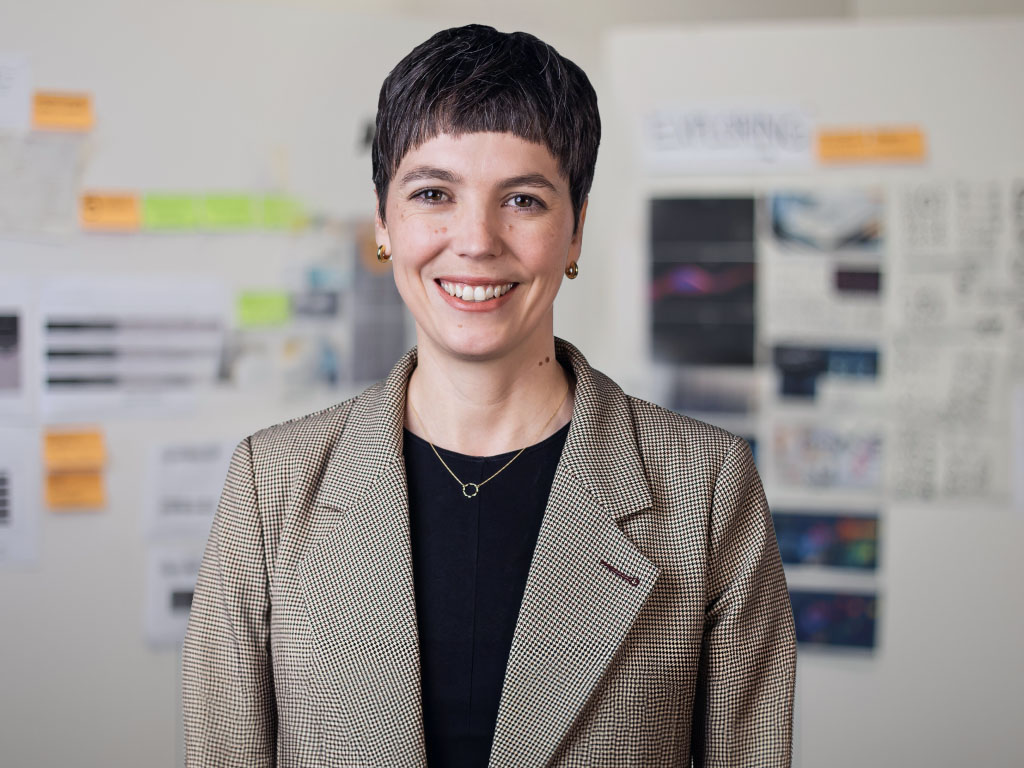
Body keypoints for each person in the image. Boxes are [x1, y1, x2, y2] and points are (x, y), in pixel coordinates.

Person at [182, 24, 796, 768]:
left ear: (575, 232)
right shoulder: (269, 486)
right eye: (433, 193)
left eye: (525, 200)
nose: (475, 240)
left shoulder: (707, 489)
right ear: (383, 221)